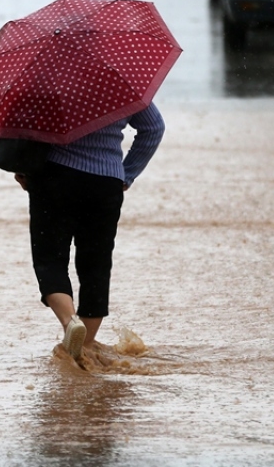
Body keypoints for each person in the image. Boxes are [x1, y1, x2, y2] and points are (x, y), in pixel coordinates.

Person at [14, 103, 165, 360]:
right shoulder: (121, 80)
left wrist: (23, 169)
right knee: (96, 263)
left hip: (53, 178)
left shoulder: (45, 77)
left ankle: (70, 323)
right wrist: (126, 174)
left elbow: (23, 130)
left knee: (50, 258)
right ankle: (86, 345)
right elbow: (153, 128)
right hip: (105, 182)